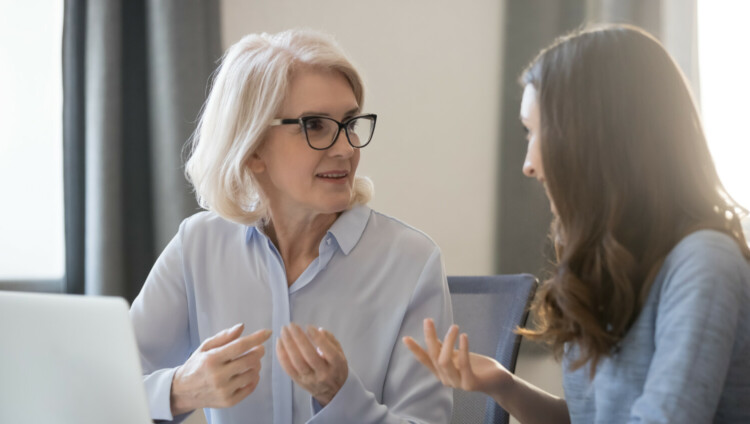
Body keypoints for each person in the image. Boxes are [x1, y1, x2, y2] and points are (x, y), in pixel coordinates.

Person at [404, 24, 750, 423]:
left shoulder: (703, 262)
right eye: (526, 134)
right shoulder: (611, 264)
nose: (529, 164)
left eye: (539, 133)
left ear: (597, 138)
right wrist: (501, 384)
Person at [130, 29, 453, 424]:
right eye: (314, 125)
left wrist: (342, 399)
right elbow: (109, 389)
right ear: (251, 150)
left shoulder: (411, 261)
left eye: (349, 123)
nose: (346, 148)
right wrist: (181, 389)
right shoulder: (197, 245)